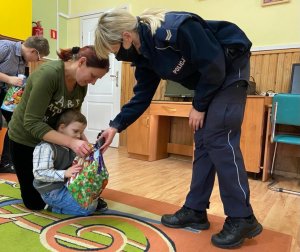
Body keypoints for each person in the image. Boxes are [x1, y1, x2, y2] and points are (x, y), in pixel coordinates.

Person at [94, 9, 263, 249]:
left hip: (229, 65)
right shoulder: (144, 55)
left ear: (126, 37)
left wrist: (199, 105)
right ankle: (195, 209)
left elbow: (214, 65)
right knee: (203, 139)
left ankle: (242, 217)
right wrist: (115, 126)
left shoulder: (175, 29)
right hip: (211, 77)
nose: (117, 56)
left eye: (114, 49)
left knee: (218, 136)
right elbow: (142, 97)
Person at [8, 45, 110, 211]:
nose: (93, 82)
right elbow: (31, 123)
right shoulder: (48, 75)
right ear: (81, 62)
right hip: (25, 140)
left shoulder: (80, 83)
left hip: (55, 142)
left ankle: (70, 198)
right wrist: (71, 142)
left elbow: (73, 118)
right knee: (35, 204)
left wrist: (83, 142)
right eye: (93, 76)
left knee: (68, 177)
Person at [33, 109, 107, 216]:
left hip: (68, 185)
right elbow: (39, 173)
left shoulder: (73, 145)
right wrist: (65, 173)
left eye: (81, 133)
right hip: (51, 191)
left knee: (94, 192)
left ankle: (81, 202)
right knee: (88, 209)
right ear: (62, 128)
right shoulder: (46, 147)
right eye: (75, 131)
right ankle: (52, 207)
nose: (78, 136)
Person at [0, 36, 50, 173]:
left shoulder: (23, 61)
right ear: (33, 51)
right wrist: (9, 78)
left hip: (5, 93)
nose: (38, 61)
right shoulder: (5, 47)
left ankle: (6, 162)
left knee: (14, 124)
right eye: (39, 57)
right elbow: (9, 78)